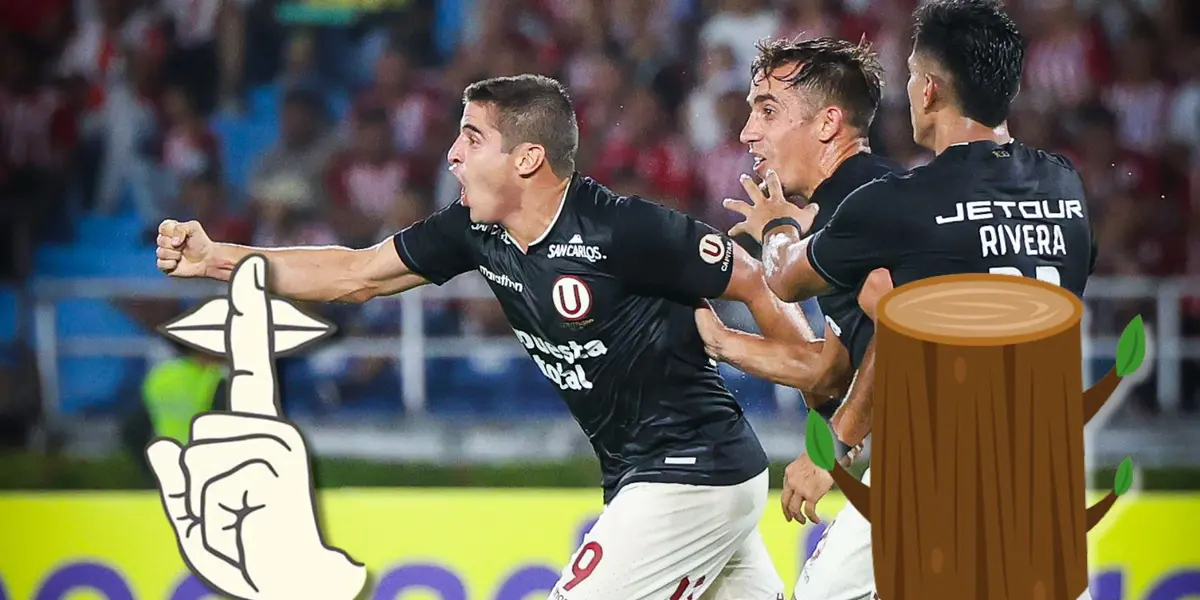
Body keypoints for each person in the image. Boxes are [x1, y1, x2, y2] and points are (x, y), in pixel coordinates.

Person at [155, 73, 844, 600]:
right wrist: (217, 259)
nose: (452, 155)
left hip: (689, 476)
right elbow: (356, 274)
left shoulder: (626, 230)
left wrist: (819, 440)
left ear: (528, 159)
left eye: (472, 138)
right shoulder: (474, 230)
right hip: (659, 477)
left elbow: (761, 286)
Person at [719, 1, 1099, 599]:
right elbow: (836, 363)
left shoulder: (900, 203)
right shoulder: (1065, 186)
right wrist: (718, 340)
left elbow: (792, 281)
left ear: (928, 89)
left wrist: (777, 227)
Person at [693, 37, 902, 543]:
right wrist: (717, 341)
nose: (747, 132)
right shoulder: (852, 200)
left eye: (768, 111)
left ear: (827, 124)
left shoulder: (864, 205)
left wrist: (832, 449)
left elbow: (904, 328)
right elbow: (829, 374)